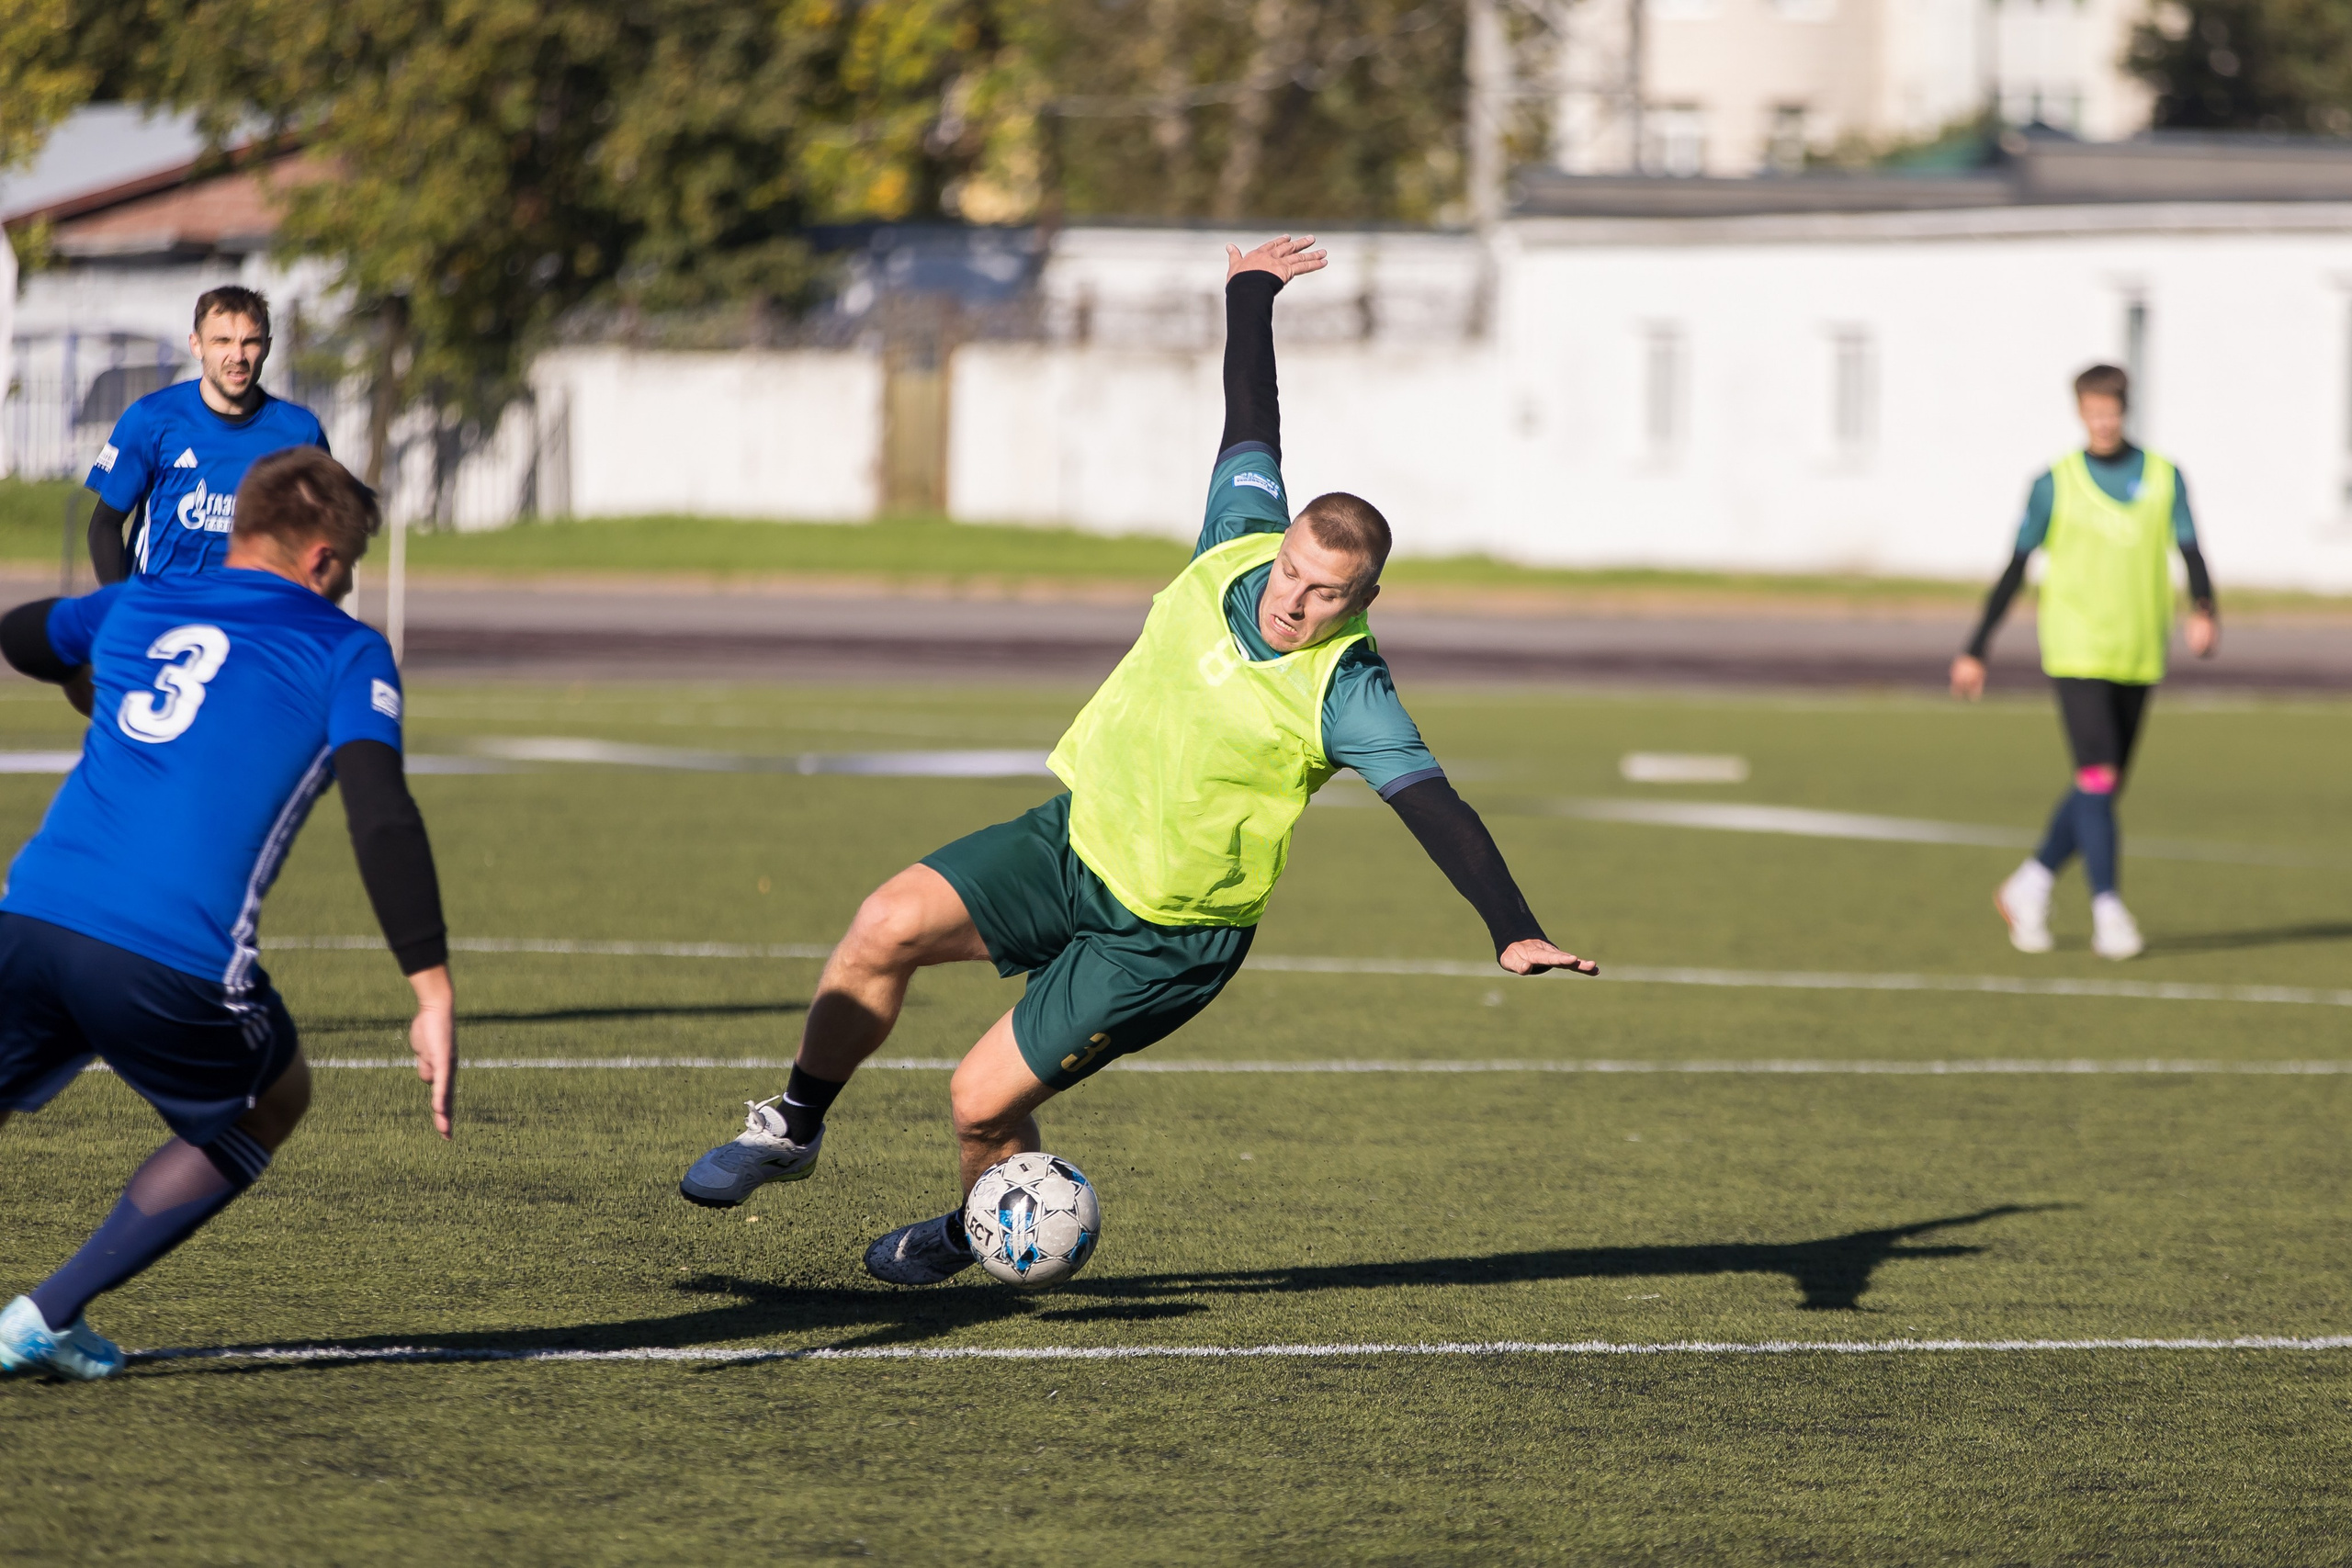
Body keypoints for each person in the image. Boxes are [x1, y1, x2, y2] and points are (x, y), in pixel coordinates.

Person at [676, 235, 1599, 1284]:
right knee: (883, 922)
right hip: (1074, 841)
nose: (1293, 600)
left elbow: (1434, 804)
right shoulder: (1236, 539)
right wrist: (1249, 289)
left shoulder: (1347, 689)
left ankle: (966, 1234)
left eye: (1325, 593)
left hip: (1164, 937)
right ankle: (791, 1128)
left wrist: (1511, 926)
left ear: (1364, 600)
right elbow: (1250, 418)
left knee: (980, 1103)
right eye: (1293, 571)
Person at [0, 447, 453, 1382]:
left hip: (31, 915)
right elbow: (382, 813)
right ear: (325, 560)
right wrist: (430, 985)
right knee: (274, 1097)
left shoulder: (140, 602)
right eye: (352, 567)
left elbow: (20, 635)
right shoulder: (346, 648)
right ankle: (41, 1317)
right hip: (171, 959)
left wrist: (85, 682)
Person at [1950, 363, 2218, 961]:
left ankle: (2031, 882)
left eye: (2111, 412)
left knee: (2101, 784)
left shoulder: (2164, 477)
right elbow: (2015, 567)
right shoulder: (2055, 481)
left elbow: (2192, 547)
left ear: (2125, 411)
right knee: (2097, 774)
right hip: (2075, 648)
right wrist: (1975, 646)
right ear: (2079, 412)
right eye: (2091, 413)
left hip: (2140, 648)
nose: (2102, 423)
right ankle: (2108, 909)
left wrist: (2205, 609)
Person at [85, 286, 331, 582]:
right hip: (167, 615)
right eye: (222, 341)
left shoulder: (301, 432)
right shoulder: (151, 419)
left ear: (266, 346)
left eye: (249, 342)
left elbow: (322, 535)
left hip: (255, 619)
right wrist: (122, 609)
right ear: (196, 345)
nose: (237, 356)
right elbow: (104, 525)